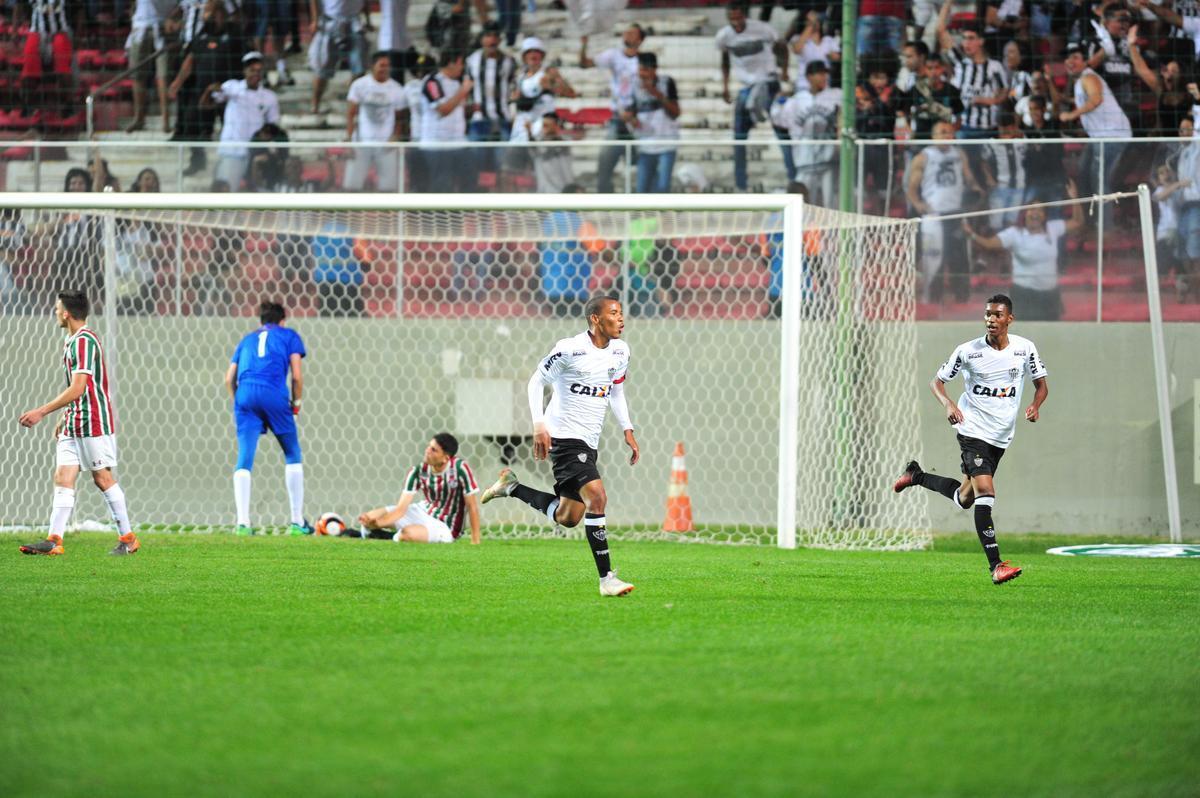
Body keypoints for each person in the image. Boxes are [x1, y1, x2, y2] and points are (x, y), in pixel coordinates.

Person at [479, 293, 639, 597]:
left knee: (568, 517)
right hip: (564, 437)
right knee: (598, 497)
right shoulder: (570, 349)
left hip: (589, 440)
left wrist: (627, 428)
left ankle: (511, 487)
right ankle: (607, 579)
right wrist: (539, 425)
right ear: (596, 318)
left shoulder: (620, 352)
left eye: (621, 313)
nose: (621, 319)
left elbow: (616, 391)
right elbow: (535, 382)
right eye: (614, 313)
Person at [893, 293, 1049, 586]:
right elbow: (936, 382)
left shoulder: (1025, 349)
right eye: (988, 314)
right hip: (972, 429)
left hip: (1001, 436)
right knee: (986, 492)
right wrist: (949, 405)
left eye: (998, 315)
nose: (991, 319)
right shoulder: (968, 351)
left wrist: (1035, 405)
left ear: (1009, 319)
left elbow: (1041, 385)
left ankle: (916, 476)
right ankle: (996, 566)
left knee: (965, 498)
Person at [17, 291, 140, 557]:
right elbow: (77, 391)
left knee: (102, 478)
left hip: (93, 420)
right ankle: (54, 540)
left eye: (56, 308)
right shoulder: (71, 340)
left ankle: (128, 538)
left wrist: (42, 411)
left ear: (66, 313)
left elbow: (79, 387)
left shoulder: (85, 341)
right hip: (74, 420)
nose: (54, 312)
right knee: (63, 477)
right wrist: (64, 417)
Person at [224, 300, 309, 535]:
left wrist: (239, 402)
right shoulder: (289, 335)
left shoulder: (247, 339)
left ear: (261, 321)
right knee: (292, 454)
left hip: (244, 394)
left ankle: (243, 524)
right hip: (273, 392)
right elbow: (297, 376)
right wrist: (297, 404)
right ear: (282, 321)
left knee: (244, 458)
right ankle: (297, 522)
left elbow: (228, 377)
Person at [964, 179, 1085, 321]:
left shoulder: (1053, 228)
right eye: (1032, 209)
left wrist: (1075, 198)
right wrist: (971, 234)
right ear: (1025, 213)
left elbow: (1077, 222)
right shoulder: (1014, 234)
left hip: (1050, 295)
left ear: (1044, 215)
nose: (1035, 213)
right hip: (1024, 295)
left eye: (1040, 210)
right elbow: (989, 244)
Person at [717, 0, 794, 191]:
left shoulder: (762, 29)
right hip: (747, 87)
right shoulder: (724, 36)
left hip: (768, 84)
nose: (736, 23)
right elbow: (725, 60)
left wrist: (784, 70)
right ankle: (740, 183)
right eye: (731, 19)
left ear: (744, 15)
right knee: (738, 136)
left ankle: (794, 177)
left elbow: (781, 46)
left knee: (781, 131)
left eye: (738, 18)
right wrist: (725, 86)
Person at [906, 119, 983, 303]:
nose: (947, 135)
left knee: (959, 256)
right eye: (942, 132)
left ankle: (962, 295)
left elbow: (968, 176)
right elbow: (911, 188)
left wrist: (976, 188)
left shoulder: (959, 153)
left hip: (955, 212)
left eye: (949, 132)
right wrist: (918, 205)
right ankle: (933, 296)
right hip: (933, 215)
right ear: (933, 136)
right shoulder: (924, 157)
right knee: (933, 257)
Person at [354, 433, 482, 544]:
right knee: (370, 516)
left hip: (445, 526)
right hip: (423, 511)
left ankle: (383, 536)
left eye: (434, 450)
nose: (427, 451)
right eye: (428, 446)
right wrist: (377, 522)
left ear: (445, 458)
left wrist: (475, 541)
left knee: (407, 534)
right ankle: (371, 531)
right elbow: (400, 509)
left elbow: (472, 506)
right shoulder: (419, 471)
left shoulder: (460, 469)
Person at [1060, 43, 1132, 205]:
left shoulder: (1089, 77)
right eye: (1067, 58)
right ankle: (1089, 220)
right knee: (1083, 171)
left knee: (1099, 179)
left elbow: (1096, 99)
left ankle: (1105, 227)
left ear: (1086, 61)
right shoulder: (1080, 80)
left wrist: (1072, 114)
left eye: (1075, 57)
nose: (1070, 61)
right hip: (1100, 137)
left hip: (1113, 135)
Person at [200, 51, 281, 190]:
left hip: (257, 153)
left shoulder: (270, 97)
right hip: (232, 151)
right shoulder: (232, 87)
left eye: (259, 71)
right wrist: (208, 90)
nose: (255, 74)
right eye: (252, 70)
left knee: (262, 195)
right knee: (226, 193)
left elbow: (273, 125)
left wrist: (266, 135)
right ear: (244, 71)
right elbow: (205, 105)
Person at [579, 23, 646, 193]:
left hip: (639, 118)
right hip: (618, 117)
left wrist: (635, 111)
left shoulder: (644, 61)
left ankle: (641, 202)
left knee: (640, 164)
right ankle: (605, 200)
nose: (627, 35)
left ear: (640, 39)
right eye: (626, 32)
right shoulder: (613, 55)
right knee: (605, 161)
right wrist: (584, 45)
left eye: (632, 33)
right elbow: (585, 64)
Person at [773, 60, 840, 208]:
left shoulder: (836, 95)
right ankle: (804, 231)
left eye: (825, 74)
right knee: (801, 203)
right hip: (805, 160)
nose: (823, 77)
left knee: (831, 203)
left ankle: (830, 231)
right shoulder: (797, 100)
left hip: (829, 160)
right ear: (809, 76)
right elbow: (778, 120)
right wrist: (778, 101)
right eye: (819, 74)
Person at [935, 6, 1008, 138]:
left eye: (971, 38)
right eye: (964, 38)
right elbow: (940, 30)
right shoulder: (960, 62)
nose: (966, 43)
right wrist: (948, 2)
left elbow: (1005, 92)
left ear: (981, 41)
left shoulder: (995, 66)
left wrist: (990, 101)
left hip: (989, 128)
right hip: (963, 128)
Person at [344, 51, 408, 192]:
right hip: (362, 142)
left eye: (388, 65)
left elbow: (400, 118)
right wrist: (349, 140)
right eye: (382, 65)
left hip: (386, 144)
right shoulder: (359, 85)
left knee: (388, 187)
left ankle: (386, 214)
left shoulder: (397, 89)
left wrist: (395, 137)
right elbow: (350, 114)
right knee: (352, 186)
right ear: (372, 66)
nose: (385, 69)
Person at [465, 21, 517, 179]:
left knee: (503, 167)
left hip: (502, 119)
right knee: (475, 167)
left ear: (500, 40)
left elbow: (515, 88)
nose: (492, 40)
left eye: (495, 36)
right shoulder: (472, 60)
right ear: (482, 39)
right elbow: (466, 87)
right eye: (488, 36)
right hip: (478, 120)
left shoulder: (509, 62)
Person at [416, 51, 473, 193]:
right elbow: (443, 110)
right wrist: (463, 91)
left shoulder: (458, 82)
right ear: (451, 63)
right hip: (437, 145)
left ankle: (459, 215)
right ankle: (439, 215)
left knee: (467, 184)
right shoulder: (432, 82)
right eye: (460, 64)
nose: (462, 68)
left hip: (458, 143)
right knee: (442, 186)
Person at [623, 52, 680, 194]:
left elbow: (675, 112)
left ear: (654, 69)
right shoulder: (633, 86)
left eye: (646, 70)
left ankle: (664, 217)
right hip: (645, 146)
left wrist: (655, 93)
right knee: (642, 190)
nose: (642, 74)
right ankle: (645, 217)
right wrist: (630, 119)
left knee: (662, 188)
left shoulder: (666, 83)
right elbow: (629, 113)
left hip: (666, 145)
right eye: (640, 69)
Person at [125, 0, 178, 133]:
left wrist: (173, 18)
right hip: (141, 26)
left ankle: (165, 120)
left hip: (164, 27)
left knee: (163, 76)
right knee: (137, 75)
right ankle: (139, 118)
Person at [307, 0, 368, 113]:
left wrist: (367, 19)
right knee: (323, 68)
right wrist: (315, 20)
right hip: (331, 21)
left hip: (354, 21)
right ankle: (315, 104)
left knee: (360, 66)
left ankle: (354, 103)